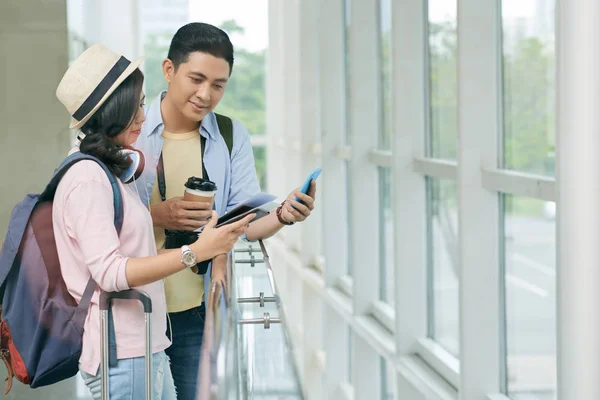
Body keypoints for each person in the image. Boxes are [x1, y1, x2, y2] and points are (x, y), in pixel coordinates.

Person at [53, 44, 255, 400]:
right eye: (136, 107)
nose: (144, 117)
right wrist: (195, 252)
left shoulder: (107, 170)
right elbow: (110, 273)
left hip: (142, 344)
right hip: (125, 351)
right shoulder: (87, 178)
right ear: (113, 111)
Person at [132, 22, 317, 398]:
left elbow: (243, 224)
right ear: (169, 70)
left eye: (218, 85)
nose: (206, 94)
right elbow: (102, 219)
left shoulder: (231, 136)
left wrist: (281, 215)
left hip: (195, 309)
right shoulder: (130, 131)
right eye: (196, 79)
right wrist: (157, 216)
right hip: (135, 311)